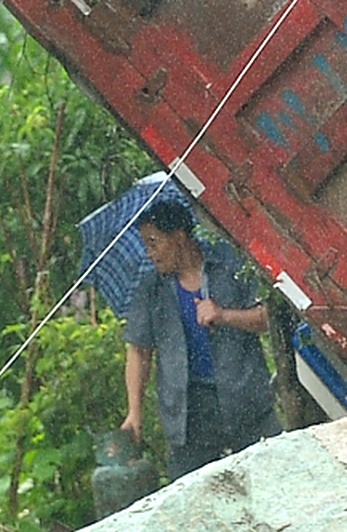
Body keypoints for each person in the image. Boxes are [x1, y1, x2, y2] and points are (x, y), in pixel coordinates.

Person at [120, 198, 282, 478]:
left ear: (179, 237)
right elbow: (139, 352)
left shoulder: (229, 264)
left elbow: (269, 317)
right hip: (189, 412)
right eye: (146, 244)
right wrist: (134, 412)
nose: (150, 253)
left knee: (271, 479)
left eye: (154, 242)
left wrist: (224, 315)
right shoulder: (152, 289)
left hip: (245, 397)